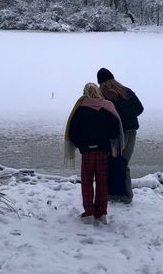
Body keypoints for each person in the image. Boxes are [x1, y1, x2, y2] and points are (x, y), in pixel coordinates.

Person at [64, 82, 121, 225]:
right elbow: (115, 131)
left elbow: (72, 132)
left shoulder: (80, 109)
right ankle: (101, 214)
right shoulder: (107, 107)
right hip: (103, 151)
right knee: (102, 183)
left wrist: (82, 146)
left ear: (85, 92)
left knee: (87, 182)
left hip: (87, 152)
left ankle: (89, 213)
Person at [97, 68, 144, 204]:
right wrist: (129, 117)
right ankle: (127, 195)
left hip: (117, 134)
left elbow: (103, 116)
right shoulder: (127, 91)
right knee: (124, 163)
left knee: (112, 162)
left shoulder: (104, 95)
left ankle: (112, 194)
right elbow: (140, 108)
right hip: (132, 131)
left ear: (100, 82)